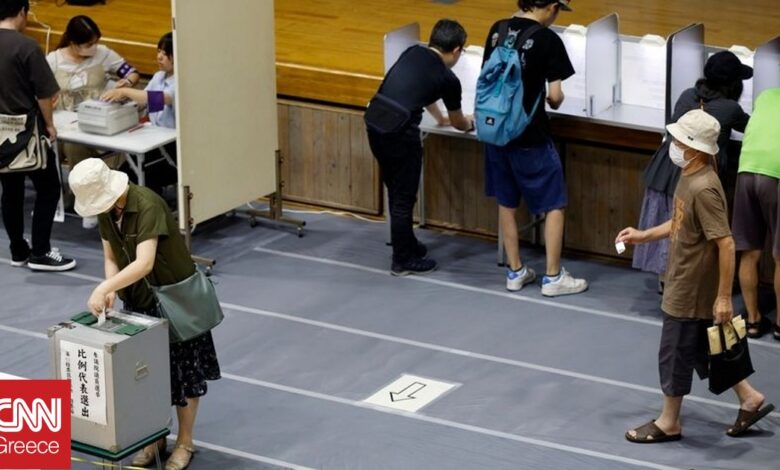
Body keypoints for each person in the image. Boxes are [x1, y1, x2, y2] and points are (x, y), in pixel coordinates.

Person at [616, 109, 773, 443]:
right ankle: (749, 397)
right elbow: (682, 221)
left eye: (678, 140)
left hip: (690, 286)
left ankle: (669, 421)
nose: (673, 144)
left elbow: (726, 243)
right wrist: (644, 235)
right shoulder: (691, 174)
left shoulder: (703, 187)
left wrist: (723, 298)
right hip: (687, 279)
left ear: (694, 147)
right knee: (707, 346)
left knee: (674, 352)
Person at [69, 158, 220, 470]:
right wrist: (111, 289)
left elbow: (144, 263)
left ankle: (185, 441)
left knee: (185, 374)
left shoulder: (147, 205)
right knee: (145, 374)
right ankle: (154, 439)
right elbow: (111, 256)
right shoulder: (107, 212)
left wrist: (104, 287)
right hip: (138, 300)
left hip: (175, 301)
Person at [482, 0, 587, 297]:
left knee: (506, 202)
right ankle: (553, 277)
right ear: (552, 7)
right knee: (553, 203)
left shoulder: (497, 29)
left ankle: (515, 272)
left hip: (496, 131)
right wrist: (553, 100)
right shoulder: (547, 39)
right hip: (530, 136)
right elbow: (555, 96)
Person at [634, 51, 752, 290]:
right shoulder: (730, 108)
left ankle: (665, 282)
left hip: (664, 169)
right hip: (693, 175)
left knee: (667, 226)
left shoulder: (687, 95)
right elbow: (752, 127)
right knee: (688, 232)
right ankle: (678, 288)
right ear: (732, 84)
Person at [366, 19, 474, 276]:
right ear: (457, 50)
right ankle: (402, 260)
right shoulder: (448, 79)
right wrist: (469, 122)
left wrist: (439, 119)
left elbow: (422, 93)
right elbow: (459, 123)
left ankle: (408, 244)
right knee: (403, 198)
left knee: (396, 191)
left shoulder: (413, 52)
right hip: (400, 133)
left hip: (375, 122)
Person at [0, 0, 76, 271]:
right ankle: (41, 251)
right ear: (22, 11)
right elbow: (45, 94)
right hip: (26, 133)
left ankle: (18, 249)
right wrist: (50, 123)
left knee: (11, 191)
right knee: (49, 188)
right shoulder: (26, 46)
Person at [47, 15, 140, 228]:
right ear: (73, 43)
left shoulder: (104, 54)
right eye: (89, 44)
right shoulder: (53, 61)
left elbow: (132, 72)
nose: (94, 48)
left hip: (98, 124)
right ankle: (73, 197)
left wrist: (126, 83)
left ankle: (91, 199)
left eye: (96, 42)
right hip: (66, 126)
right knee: (61, 145)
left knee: (77, 146)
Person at [101, 32, 178, 196]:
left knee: (138, 175)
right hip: (155, 141)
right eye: (159, 51)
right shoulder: (159, 77)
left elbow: (161, 98)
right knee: (123, 172)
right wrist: (122, 99)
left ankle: (153, 205)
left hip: (174, 148)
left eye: (166, 54)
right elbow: (143, 101)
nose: (159, 57)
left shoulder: (181, 81)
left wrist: (125, 91)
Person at [731, 88, 780, 338]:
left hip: (747, 170)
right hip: (777, 173)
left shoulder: (766, 96)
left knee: (749, 251)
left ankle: (753, 320)